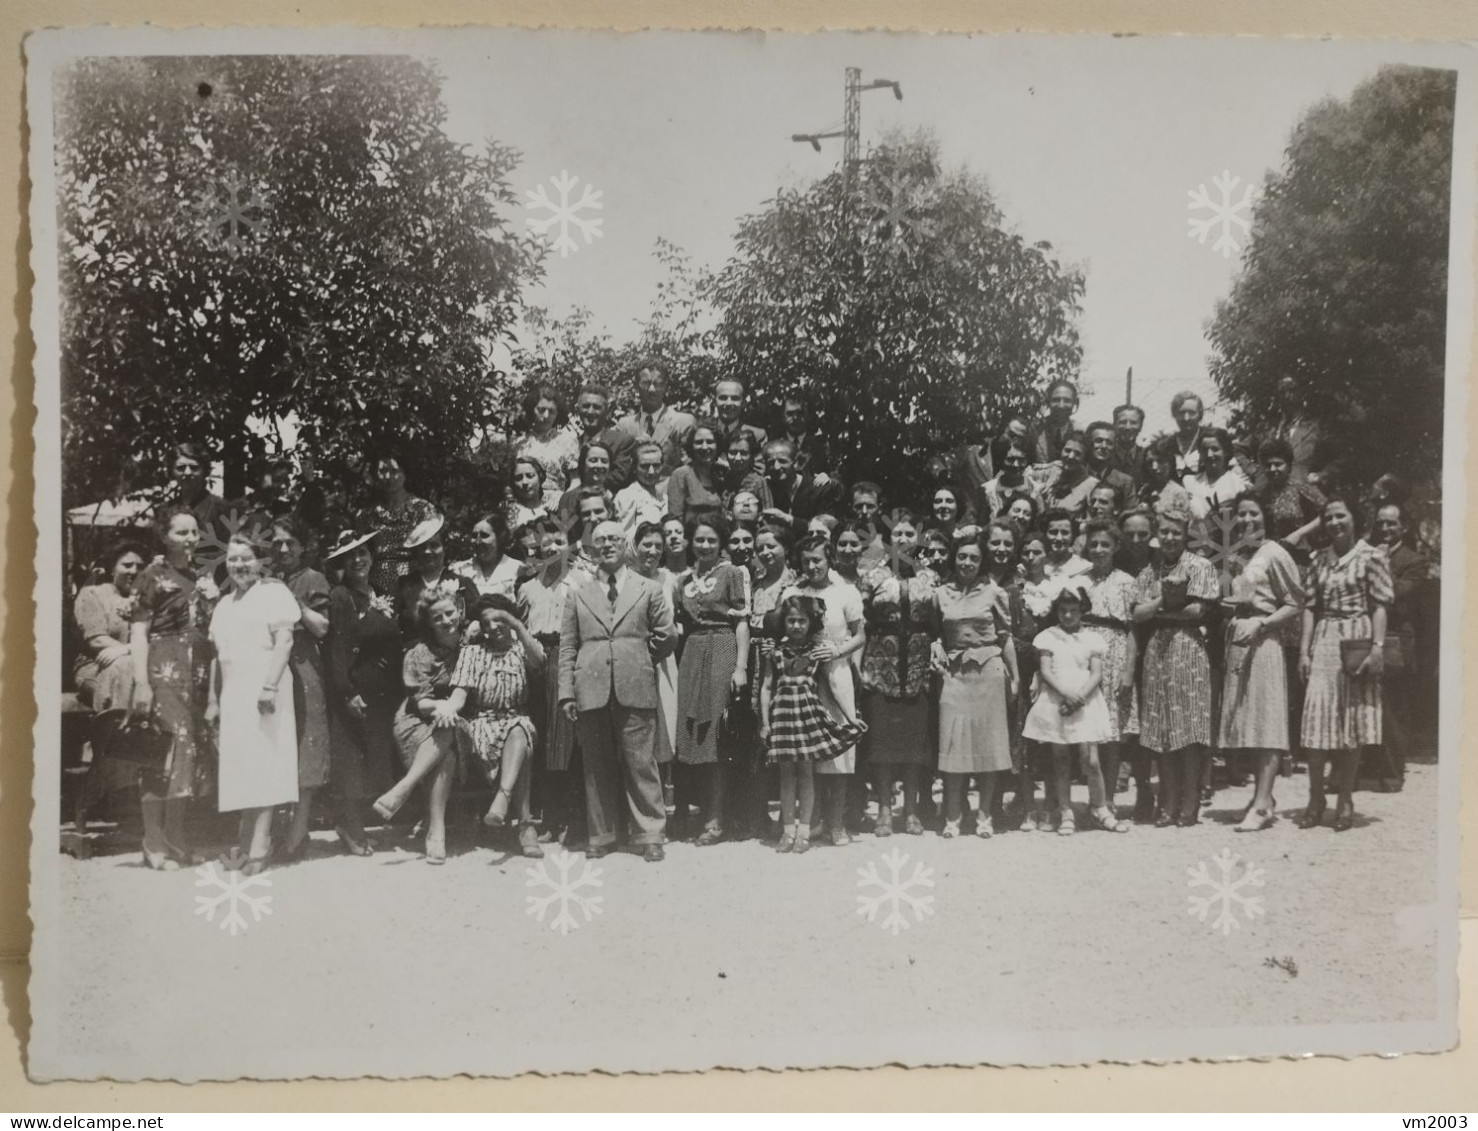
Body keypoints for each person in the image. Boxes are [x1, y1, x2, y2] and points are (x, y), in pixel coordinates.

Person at [558, 518, 676, 862]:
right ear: (591, 549)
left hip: (634, 682)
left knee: (641, 761)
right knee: (595, 765)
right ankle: (602, 833)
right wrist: (567, 692)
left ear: (625, 545)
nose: (607, 545)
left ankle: (650, 833)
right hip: (589, 685)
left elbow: (666, 635)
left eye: (613, 539)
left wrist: (637, 656)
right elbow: (568, 646)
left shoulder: (647, 588)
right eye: (599, 541)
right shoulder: (578, 593)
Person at [206, 534, 301, 874]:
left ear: (260, 562)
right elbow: (218, 656)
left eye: (246, 558)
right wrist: (213, 699)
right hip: (234, 690)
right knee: (242, 764)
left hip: (265, 685)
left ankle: (260, 843)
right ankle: (246, 839)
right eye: (233, 559)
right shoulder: (225, 602)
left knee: (265, 760)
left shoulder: (273, 593)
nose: (239, 565)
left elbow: (284, 641)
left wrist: (269, 686)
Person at [1298, 496, 1392, 832]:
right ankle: (1315, 797)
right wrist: (1304, 651)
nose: (1335, 523)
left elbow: (1380, 604)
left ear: (1355, 519)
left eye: (1341, 516)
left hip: (1357, 639)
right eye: (1329, 518)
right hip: (1324, 638)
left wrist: (1377, 648)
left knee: (1350, 721)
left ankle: (1345, 799)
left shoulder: (1372, 556)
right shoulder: (1318, 560)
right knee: (1316, 720)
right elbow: (1310, 606)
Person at [128, 507, 213, 869]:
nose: (191, 539)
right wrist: (142, 683)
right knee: (161, 753)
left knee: (188, 754)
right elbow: (137, 632)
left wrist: (212, 600)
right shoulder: (151, 575)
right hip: (163, 669)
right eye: (182, 533)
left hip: (195, 673)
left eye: (195, 532)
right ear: (164, 536)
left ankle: (176, 836)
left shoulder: (198, 576)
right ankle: (153, 839)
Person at [1214, 493, 1304, 832]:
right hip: (1240, 637)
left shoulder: (1275, 552)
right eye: (1241, 515)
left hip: (1264, 639)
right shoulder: (1241, 555)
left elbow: (1296, 602)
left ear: (1266, 518)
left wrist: (1263, 624)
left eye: (1254, 514)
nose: (1247, 520)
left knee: (1266, 718)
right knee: (1247, 719)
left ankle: (1264, 803)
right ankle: (1261, 797)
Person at [928, 532, 1019, 838]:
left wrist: (1015, 677)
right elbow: (935, 632)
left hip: (989, 672)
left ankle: (984, 816)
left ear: (982, 562)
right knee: (953, 743)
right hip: (954, 674)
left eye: (974, 558)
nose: (967, 562)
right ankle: (952, 816)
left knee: (987, 745)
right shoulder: (941, 593)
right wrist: (936, 644)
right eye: (962, 556)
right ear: (954, 559)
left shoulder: (994, 593)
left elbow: (1005, 637)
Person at [1132, 501, 1218, 827]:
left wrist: (1161, 613)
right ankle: (1167, 800)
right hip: (1157, 652)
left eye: (1175, 532)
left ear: (1186, 534)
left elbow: (1198, 612)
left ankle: (1190, 801)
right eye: (1164, 531)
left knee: (1190, 729)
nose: (1169, 537)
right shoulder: (1149, 572)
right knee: (1163, 728)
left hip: (1188, 647)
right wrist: (1161, 604)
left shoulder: (1199, 566)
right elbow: (1138, 614)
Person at [761, 594, 866, 854]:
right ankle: (787, 830)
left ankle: (804, 832)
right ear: (783, 623)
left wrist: (851, 717)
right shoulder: (774, 652)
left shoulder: (816, 652)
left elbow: (833, 685)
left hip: (807, 719)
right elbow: (765, 687)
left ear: (811, 623)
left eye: (802, 621)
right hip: (783, 719)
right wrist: (764, 723)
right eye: (791, 621)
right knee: (786, 777)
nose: (796, 626)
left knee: (806, 775)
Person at [375, 590, 474, 864]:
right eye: (437, 617)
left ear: (460, 611)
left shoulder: (471, 646)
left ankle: (403, 791)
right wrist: (443, 708)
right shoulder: (419, 653)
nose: (445, 620)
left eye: (449, 613)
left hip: (450, 718)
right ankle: (436, 833)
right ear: (429, 623)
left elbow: (461, 693)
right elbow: (422, 704)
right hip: (415, 721)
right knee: (448, 741)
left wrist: (447, 709)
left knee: (449, 738)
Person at [1022, 580, 1126, 835]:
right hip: (1056, 701)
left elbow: (1097, 673)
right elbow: (1046, 671)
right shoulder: (1047, 637)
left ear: (1082, 610)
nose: (1067, 615)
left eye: (1073, 610)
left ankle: (1100, 808)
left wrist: (1079, 696)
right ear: (1056, 611)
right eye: (1062, 610)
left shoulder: (1092, 638)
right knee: (1059, 759)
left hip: (1085, 700)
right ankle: (1066, 811)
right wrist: (1066, 694)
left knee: (1090, 760)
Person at [782, 532, 867, 844]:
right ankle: (811, 820)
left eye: (817, 559)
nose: (812, 566)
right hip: (802, 678)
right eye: (806, 561)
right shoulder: (792, 591)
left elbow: (860, 636)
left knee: (839, 749)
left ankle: (836, 823)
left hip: (835, 670)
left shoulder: (845, 592)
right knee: (808, 751)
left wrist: (836, 651)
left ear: (829, 558)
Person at [672, 512, 749, 844]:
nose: (705, 546)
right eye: (699, 540)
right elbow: (678, 623)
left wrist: (741, 667)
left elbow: (742, 622)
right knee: (690, 734)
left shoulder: (731, 573)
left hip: (722, 648)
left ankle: (716, 818)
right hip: (691, 652)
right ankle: (694, 813)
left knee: (715, 734)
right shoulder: (682, 580)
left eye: (712, 540)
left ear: (721, 543)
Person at [324, 528, 402, 856]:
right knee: (351, 759)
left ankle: (363, 823)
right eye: (351, 555)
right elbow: (338, 645)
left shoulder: (382, 591)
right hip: (352, 689)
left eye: (363, 553)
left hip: (381, 691)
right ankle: (350, 825)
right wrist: (346, 691)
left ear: (372, 556)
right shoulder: (341, 597)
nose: (358, 560)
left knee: (374, 756)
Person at [454, 593, 547, 858]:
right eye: (486, 622)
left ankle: (505, 800)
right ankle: (525, 825)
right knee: (523, 741)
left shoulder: (521, 648)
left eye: (499, 620)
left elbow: (540, 662)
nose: (493, 627)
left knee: (520, 729)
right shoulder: (473, 652)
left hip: (516, 719)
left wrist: (517, 624)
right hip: (482, 724)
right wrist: (446, 708)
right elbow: (460, 695)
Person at [858, 518, 932, 837]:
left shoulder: (929, 577)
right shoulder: (872, 576)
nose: (903, 538)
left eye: (908, 533)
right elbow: (862, 622)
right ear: (888, 540)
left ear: (917, 539)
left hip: (917, 666)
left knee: (915, 745)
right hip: (881, 664)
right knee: (882, 743)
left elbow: (937, 621)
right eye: (897, 533)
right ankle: (885, 811)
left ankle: (912, 811)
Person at [270, 517, 332, 860]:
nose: (282, 549)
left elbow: (322, 627)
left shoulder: (313, 579)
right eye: (277, 543)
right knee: (277, 741)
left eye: (289, 543)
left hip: (304, 663)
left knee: (307, 742)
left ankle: (299, 830)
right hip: (271, 667)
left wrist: (296, 604)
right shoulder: (266, 579)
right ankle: (275, 827)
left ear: (302, 546)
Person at [518, 517, 583, 844]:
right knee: (541, 740)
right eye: (546, 545)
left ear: (569, 547)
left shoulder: (581, 583)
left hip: (566, 659)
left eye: (559, 542)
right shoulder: (528, 588)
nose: (553, 548)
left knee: (565, 741)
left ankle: (569, 818)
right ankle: (547, 817)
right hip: (534, 662)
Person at [980, 520, 1042, 830]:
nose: (1001, 549)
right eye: (995, 543)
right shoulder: (976, 578)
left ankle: (1029, 808)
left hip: (1018, 666)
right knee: (989, 739)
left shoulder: (1019, 584)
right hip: (983, 670)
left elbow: (1030, 635)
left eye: (1007, 543)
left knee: (1020, 738)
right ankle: (988, 809)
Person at [1081, 518, 1141, 821]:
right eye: (1093, 544)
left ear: (1116, 547)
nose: (1099, 549)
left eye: (1105, 544)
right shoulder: (1079, 580)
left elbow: (1133, 630)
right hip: (1086, 657)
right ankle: (1094, 796)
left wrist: (1129, 670)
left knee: (1113, 733)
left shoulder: (1127, 582)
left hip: (1116, 655)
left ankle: (1110, 799)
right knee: (1088, 730)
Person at [1367, 501, 1428, 790]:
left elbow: (1395, 595)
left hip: (1397, 640)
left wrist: (1380, 563)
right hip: (1367, 636)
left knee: (1393, 708)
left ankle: (1392, 774)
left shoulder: (1415, 561)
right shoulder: (1365, 552)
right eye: (1381, 522)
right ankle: (1363, 772)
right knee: (1364, 703)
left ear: (1403, 527)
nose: (1385, 528)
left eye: (1391, 523)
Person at [73, 539, 146, 714]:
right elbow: (97, 640)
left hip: (138, 664)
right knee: (126, 669)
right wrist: (133, 652)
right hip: (97, 668)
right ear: (113, 568)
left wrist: (128, 650)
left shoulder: (148, 601)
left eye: (140, 567)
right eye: (127, 565)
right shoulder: (93, 594)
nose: (134, 571)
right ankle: (113, 736)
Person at [632, 521, 680, 766]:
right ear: (635, 545)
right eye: (646, 544)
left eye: (658, 546)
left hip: (663, 661)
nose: (652, 551)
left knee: (665, 727)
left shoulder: (669, 579)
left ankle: (665, 794)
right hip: (634, 659)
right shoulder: (625, 578)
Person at [357, 454, 438, 596]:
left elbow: (432, 549)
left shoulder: (422, 509)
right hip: (377, 582)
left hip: (414, 580)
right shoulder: (367, 514)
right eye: (382, 471)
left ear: (405, 473)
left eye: (394, 471)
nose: (388, 476)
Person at [396, 515, 481, 642]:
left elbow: (480, 617)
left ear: (444, 549)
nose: (428, 552)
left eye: (434, 545)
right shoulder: (405, 585)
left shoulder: (463, 583)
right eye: (422, 547)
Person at [617, 357, 696, 478]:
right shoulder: (625, 426)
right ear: (636, 385)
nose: (651, 390)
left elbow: (691, 471)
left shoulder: (682, 423)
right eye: (646, 383)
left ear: (665, 386)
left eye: (657, 384)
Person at [516, 384, 581, 510]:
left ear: (557, 414)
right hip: (522, 505)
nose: (546, 415)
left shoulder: (567, 440)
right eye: (541, 410)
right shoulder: (520, 442)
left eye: (551, 411)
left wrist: (563, 501)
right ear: (531, 409)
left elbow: (576, 481)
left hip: (555, 506)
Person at [760, 437, 841, 537]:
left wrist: (789, 520)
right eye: (771, 462)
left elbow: (828, 528)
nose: (776, 467)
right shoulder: (767, 488)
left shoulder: (820, 489)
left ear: (796, 462)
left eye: (782, 461)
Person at [1257, 437, 1325, 546]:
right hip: (1270, 555)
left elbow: (1328, 511)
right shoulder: (1261, 495)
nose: (1272, 469)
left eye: (1278, 464)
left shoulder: (1301, 487)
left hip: (1298, 553)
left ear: (1289, 466)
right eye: (1268, 465)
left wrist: (1300, 533)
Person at [572, 383, 638, 491]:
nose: (590, 412)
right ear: (578, 409)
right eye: (586, 406)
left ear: (607, 410)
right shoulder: (571, 442)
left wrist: (581, 483)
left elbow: (619, 477)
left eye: (597, 407)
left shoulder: (622, 441)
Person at [1185, 426, 1251, 522]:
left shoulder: (1238, 484)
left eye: (1215, 449)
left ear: (1226, 452)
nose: (1209, 454)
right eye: (1204, 450)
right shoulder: (1190, 482)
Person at [666, 420, 726, 524]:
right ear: (691, 446)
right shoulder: (681, 475)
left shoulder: (720, 475)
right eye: (699, 442)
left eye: (710, 442)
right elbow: (675, 520)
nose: (704, 447)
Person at [452, 511, 522, 598]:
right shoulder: (460, 570)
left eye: (484, 535)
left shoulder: (518, 569)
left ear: (500, 538)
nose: (477, 542)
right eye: (474, 536)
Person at [616, 442, 670, 538]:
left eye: (656, 466)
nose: (651, 472)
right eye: (645, 466)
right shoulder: (628, 496)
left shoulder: (663, 497)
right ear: (634, 468)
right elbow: (625, 536)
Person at [557, 440, 617, 527]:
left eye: (604, 461)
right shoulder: (569, 498)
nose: (599, 465)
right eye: (593, 460)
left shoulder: (614, 496)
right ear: (583, 464)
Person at [1039, 432, 1099, 518]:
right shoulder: (1048, 474)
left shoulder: (1092, 485)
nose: (1071, 456)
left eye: (1078, 453)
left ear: (1085, 458)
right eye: (1067, 450)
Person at [981, 440, 1038, 524]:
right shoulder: (988, 489)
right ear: (1001, 459)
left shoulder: (1035, 489)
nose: (1016, 465)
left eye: (1021, 460)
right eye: (1011, 459)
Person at [1083, 421, 1136, 511]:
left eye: (1109, 443)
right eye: (1098, 441)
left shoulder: (1125, 482)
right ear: (1088, 443)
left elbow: (1129, 514)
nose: (1104, 446)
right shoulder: (1079, 476)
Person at [1134, 438, 1193, 516]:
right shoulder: (1144, 491)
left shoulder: (1178, 493)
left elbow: (1182, 523)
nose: (1154, 467)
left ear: (1170, 463)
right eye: (1150, 462)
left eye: (1160, 461)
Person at [712, 377, 768, 458]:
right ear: (714, 402)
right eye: (723, 398)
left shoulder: (757, 435)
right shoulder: (704, 432)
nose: (728, 403)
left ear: (743, 403)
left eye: (735, 398)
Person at [1031, 380, 1080, 467]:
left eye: (1067, 401)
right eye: (1056, 400)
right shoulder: (1035, 430)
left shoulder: (1079, 432)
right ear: (1048, 402)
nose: (1061, 405)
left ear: (1075, 403)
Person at [1042, 509, 1090, 582]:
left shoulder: (1083, 567)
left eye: (1065, 533)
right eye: (1053, 532)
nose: (1059, 538)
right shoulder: (1037, 564)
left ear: (1072, 536)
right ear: (1045, 534)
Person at [506, 456, 551, 534]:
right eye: (518, 478)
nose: (524, 482)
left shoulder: (551, 506)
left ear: (540, 477)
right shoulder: (510, 515)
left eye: (530, 476)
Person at [1108, 404, 1148, 486]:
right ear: (1114, 425)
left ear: (1140, 426)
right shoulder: (1106, 455)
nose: (1128, 427)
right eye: (1122, 422)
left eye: (1133, 423)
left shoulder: (1146, 458)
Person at [1169, 391, 1206, 479]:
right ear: (1174, 415)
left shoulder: (1211, 439)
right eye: (1181, 413)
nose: (1186, 418)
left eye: (1192, 413)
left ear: (1200, 414)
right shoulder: (1168, 444)